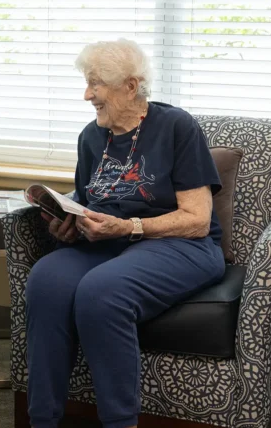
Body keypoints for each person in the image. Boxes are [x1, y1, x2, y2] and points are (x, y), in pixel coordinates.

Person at [25, 39, 226, 428]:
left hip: (180, 244)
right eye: (87, 83)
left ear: (130, 86)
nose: (87, 95)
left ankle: (119, 422)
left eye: (95, 84)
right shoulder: (91, 136)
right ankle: (42, 420)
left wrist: (130, 227)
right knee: (45, 281)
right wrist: (68, 225)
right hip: (108, 242)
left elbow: (197, 218)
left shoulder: (175, 127)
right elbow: (87, 201)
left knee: (102, 291)